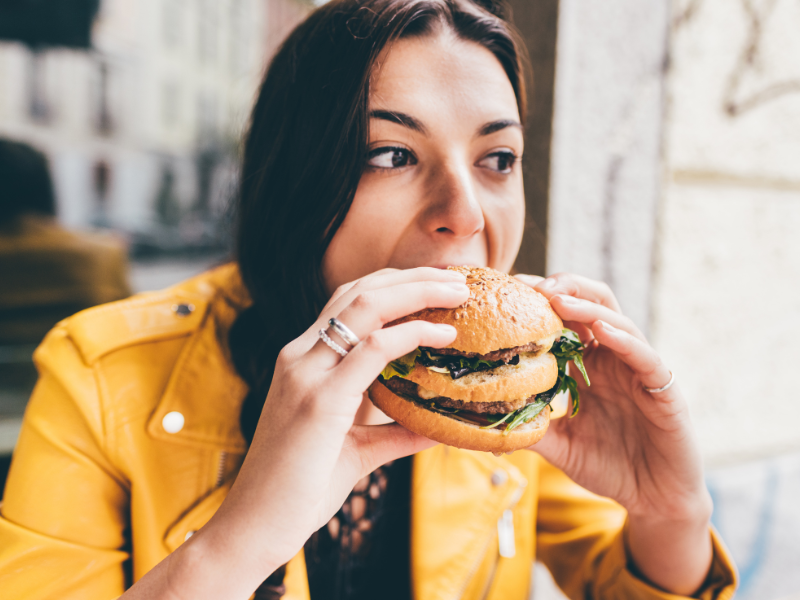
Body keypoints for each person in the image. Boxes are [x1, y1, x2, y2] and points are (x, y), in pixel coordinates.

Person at [0, 1, 737, 599]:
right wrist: (242, 540)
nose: (467, 212)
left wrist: (671, 514)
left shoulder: (513, 394)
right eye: (391, 155)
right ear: (295, 179)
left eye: (497, 159)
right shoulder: (98, 374)